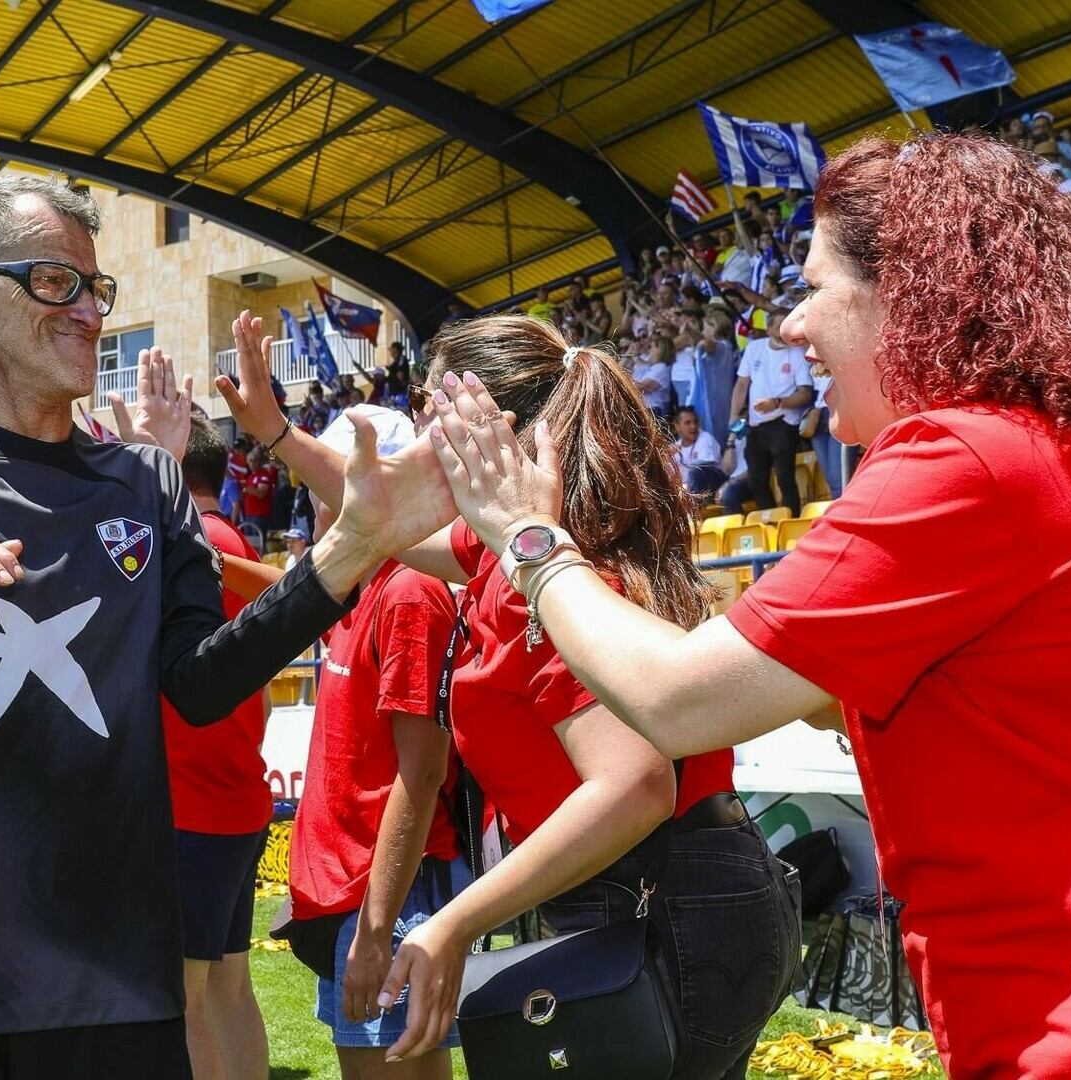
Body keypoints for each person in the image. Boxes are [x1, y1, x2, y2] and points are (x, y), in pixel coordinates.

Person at [423, 131, 1071, 1080]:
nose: (789, 328)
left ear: (908, 296)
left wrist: (531, 540)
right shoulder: (1067, 456)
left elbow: (679, 700)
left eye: (814, 286)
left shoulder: (960, 459)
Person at [0, 175, 447, 1077]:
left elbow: (200, 683)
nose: (88, 312)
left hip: (114, 987)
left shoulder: (142, 482)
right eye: (55, 282)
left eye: (95, 287)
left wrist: (350, 548)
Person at [219, 311, 801, 1078]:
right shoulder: (525, 552)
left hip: (659, 904)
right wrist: (279, 436)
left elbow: (635, 785)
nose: (420, 431)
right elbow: (385, 521)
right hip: (684, 896)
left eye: (431, 409)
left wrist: (454, 922)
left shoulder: (539, 581)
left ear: (482, 426)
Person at [286, 408, 463, 1080]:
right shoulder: (360, 587)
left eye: (329, 492)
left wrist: (374, 928)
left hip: (382, 899)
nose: (316, 511)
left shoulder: (409, 593)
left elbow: (420, 774)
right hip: (359, 897)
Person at [167, 413, 273, 1080]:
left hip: (190, 802)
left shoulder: (189, 547)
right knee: (230, 987)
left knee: (186, 999)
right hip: (234, 795)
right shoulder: (234, 542)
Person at [731, 304, 814, 516]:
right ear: (768, 329)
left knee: (785, 478)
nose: (783, 331)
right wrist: (734, 414)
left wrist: (776, 403)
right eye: (778, 327)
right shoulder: (754, 348)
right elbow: (741, 384)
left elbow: (805, 394)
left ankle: (791, 521)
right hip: (756, 425)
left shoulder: (797, 353)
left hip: (783, 423)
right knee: (756, 481)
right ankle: (769, 522)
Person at [672, 406, 725, 497]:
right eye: (688, 423)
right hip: (684, 490)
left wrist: (685, 487)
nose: (693, 426)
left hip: (710, 485)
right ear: (677, 426)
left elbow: (705, 468)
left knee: (696, 471)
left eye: (695, 422)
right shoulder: (674, 448)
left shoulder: (706, 438)